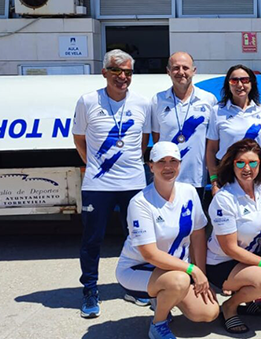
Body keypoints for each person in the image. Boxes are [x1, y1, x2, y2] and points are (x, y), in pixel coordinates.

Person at [73, 49, 152, 317]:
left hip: (133, 183)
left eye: (128, 72)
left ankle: (135, 287)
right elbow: (79, 139)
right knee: (92, 239)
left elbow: (142, 142)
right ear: (104, 72)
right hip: (98, 185)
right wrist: (94, 165)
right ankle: (90, 289)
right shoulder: (87, 101)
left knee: (138, 237)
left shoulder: (142, 103)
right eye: (116, 70)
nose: (122, 77)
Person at [115, 142, 219, 339]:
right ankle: (158, 323)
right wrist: (192, 270)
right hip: (139, 269)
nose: (168, 166)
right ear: (151, 166)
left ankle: (163, 298)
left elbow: (198, 234)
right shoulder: (140, 202)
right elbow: (150, 254)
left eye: (173, 161)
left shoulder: (188, 192)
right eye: (161, 161)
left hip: (175, 270)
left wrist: (202, 276)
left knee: (208, 312)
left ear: (180, 164)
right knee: (179, 281)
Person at [205, 139, 261, 334]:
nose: (247, 168)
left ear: (260, 164)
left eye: (253, 162)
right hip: (223, 262)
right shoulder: (224, 199)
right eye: (240, 163)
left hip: (251, 253)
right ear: (232, 164)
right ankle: (230, 307)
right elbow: (230, 248)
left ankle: (251, 296)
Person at [151, 52, 216, 198]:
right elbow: (157, 138)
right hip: (167, 177)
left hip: (197, 177)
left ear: (194, 70)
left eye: (185, 68)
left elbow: (211, 142)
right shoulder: (158, 100)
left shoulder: (208, 100)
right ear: (168, 71)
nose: (181, 72)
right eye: (176, 68)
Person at [206, 64, 261, 195]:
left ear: (252, 83)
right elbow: (211, 150)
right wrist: (214, 180)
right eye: (234, 80)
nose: (239, 85)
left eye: (244, 80)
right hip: (226, 174)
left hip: (253, 173)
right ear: (228, 84)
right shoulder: (217, 111)